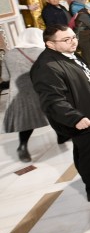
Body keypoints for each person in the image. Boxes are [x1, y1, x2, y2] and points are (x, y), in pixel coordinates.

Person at [31, 25, 90, 202]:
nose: (73, 41)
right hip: (80, 117)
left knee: (83, 151)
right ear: (50, 44)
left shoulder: (68, 54)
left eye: (73, 37)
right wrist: (75, 118)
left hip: (87, 110)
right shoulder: (47, 67)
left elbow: (86, 75)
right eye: (66, 40)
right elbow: (52, 100)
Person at [3, 28, 49, 162]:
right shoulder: (41, 52)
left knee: (27, 121)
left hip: (18, 93)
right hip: (40, 89)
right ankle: (62, 136)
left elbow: (5, 77)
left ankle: (22, 146)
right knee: (53, 112)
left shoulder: (9, 54)